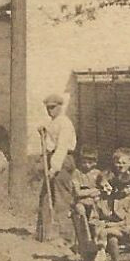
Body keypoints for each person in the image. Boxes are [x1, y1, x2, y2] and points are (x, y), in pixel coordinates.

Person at [36, 92, 78, 242]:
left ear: (60, 107)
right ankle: (45, 233)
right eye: (48, 108)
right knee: (46, 196)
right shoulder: (53, 122)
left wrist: (54, 168)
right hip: (52, 158)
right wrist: (43, 131)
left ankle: (66, 236)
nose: (50, 110)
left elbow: (62, 148)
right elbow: (49, 143)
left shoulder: (65, 123)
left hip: (62, 160)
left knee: (62, 198)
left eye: (53, 107)